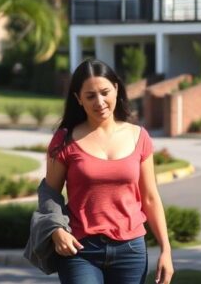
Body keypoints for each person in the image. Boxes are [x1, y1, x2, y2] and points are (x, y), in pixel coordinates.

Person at [46, 58, 173, 284]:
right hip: (80, 249)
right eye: (90, 96)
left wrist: (166, 249)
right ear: (78, 99)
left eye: (105, 92)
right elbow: (49, 194)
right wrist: (56, 230)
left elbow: (151, 198)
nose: (100, 101)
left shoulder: (139, 137)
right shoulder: (64, 140)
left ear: (116, 88)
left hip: (131, 250)